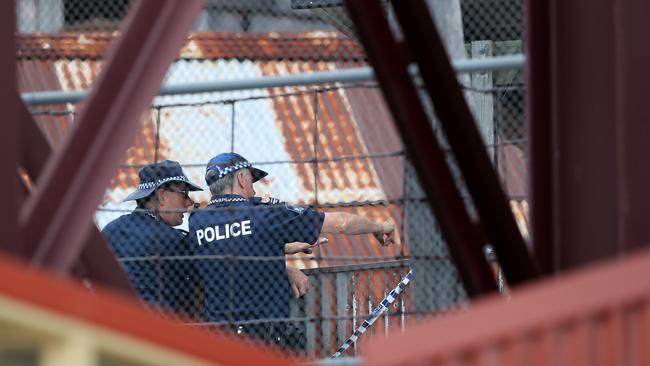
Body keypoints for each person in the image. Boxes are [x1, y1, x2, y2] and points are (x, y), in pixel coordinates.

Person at [188, 152, 397, 350]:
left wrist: (282, 259)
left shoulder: (197, 222)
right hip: (265, 343)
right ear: (242, 178)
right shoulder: (265, 213)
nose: (253, 189)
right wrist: (380, 227)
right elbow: (341, 223)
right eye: (252, 181)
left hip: (218, 343)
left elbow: (232, 246)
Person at [102, 160, 203, 317]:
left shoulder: (111, 230)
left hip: (113, 322)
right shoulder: (174, 241)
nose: (189, 202)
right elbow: (195, 295)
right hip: (156, 329)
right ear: (162, 196)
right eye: (184, 194)